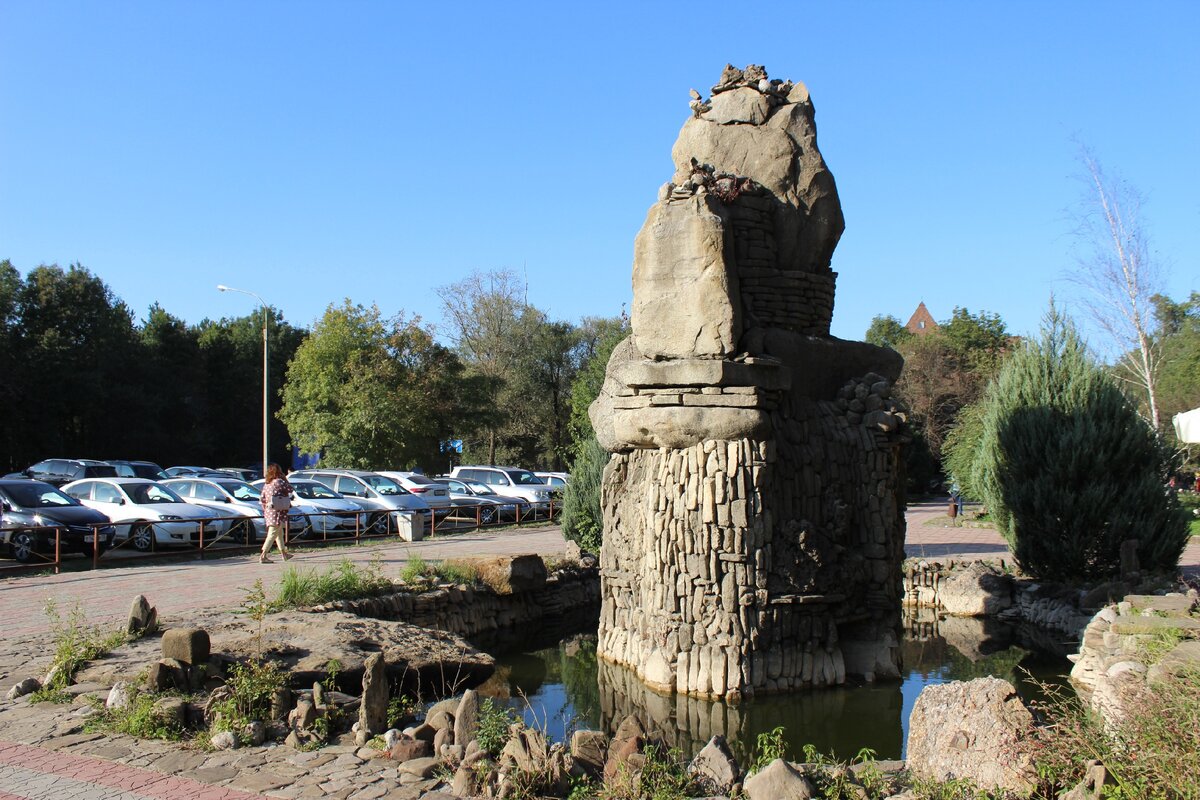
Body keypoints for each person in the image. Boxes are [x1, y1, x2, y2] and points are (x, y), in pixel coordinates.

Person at [258, 463, 294, 563]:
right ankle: (263, 555)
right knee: (272, 534)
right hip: (278, 512)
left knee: (279, 534)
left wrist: (266, 508)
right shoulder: (279, 481)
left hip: (269, 511)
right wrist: (284, 479)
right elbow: (290, 489)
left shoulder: (267, 484)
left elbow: (262, 498)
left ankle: (284, 554)